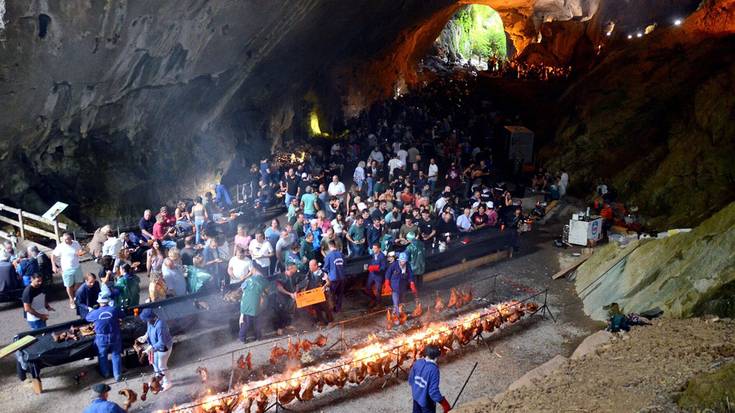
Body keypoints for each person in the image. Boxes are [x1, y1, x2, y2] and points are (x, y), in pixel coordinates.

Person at [86, 292, 124, 381]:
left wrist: (91, 310)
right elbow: (123, 314)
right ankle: (117, 376)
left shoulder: (95, 313)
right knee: (116, 354)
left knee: (102, 355)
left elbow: (87, 318)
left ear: (99, 302)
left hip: (101, 338)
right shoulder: (114, 309)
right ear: (109, 301)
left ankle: (106, 374)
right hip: (115, 336)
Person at [137, 308, 174, 391]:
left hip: (164, 348)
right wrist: (145, 336)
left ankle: (168, 382)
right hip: (154, 347)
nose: (144, 321)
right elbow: (148, 330)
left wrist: (149, 349)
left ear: (150, 318)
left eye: (145, 319)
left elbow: (162, 342)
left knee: (162, 366)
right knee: (154, 363)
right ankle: (159, 380)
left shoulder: (160, 326)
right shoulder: (150, 322)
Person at [408, 345, 452, 413]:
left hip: (416, 398)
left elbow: (411, 380)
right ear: (437, 356)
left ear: (426, 354)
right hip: (427, 403)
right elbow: (433, 391)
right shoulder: (433, 369)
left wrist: (418, 390)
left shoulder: (417, 362)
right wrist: (443, 403)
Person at [52, 232, 83, 309]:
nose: (65, 241)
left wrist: (80, 253)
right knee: (69, 285)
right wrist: (54, 266)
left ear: (70, 239)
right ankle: (71, 300)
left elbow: (79, 251)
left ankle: (74, 294)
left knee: (79, 283)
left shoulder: (75, 243)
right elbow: (53, 255)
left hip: (76, 267)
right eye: (64, 239)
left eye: (67, 239)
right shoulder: (61, 246)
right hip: (66, 269)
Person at [239, 264, 270, 343]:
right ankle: (258, 337)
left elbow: (242, 288)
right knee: (258, 321)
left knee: (246, 323)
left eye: (251, 269)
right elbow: (266, 292)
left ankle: (242, 338)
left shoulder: (248, 279)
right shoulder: (264, 281)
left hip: (247, 304)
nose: (250, 270)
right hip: (256, 304)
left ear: (254, 269)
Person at [385, 252, 416, 322]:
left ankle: (396, 312)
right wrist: (387, 283)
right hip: (395, 286)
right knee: (396, 302)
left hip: (403, 286)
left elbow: (410, 274)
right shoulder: (394, 265)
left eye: (404, 261)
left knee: (401, 301)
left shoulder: (407, 265)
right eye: (402, 261)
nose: (403, 262)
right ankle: (397, 317)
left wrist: (411, 283)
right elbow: (388, 273)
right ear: (399, 260)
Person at [301, 259, 333, 325]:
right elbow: (306, 281)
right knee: (316, 308)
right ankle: (322, 321)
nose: (309, 267)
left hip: (322, 293)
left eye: (311, 266)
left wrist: (324, 286)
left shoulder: (322, 273)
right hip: (313, 294)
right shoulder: (309, 273)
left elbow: (328, 282)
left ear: (315, 266)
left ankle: (330, 321)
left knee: (326, 307)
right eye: (309, 265)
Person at [322, 241, 345, 313]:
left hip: (333, 278)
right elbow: (344, 264)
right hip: (342, 277)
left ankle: (332, 308)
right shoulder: (341, 254)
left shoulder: (328, 256)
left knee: (332, 293)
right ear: (335, 245)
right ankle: (338, 309)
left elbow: (325, 268)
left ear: (329, 246)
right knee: (340, 294)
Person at [366, 243, 387, 308]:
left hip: (378, 275)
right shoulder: (372, 255)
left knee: (378, 290)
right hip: (372, 274)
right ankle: (373, 299)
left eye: (375, 248)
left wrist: (376, 269)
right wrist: (368, 267)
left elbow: (383, 267)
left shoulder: (382, 256)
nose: (373, 250)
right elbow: (370, 263)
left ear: (379, 249)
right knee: (368, 287)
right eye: (373, 248)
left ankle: (378, 303)